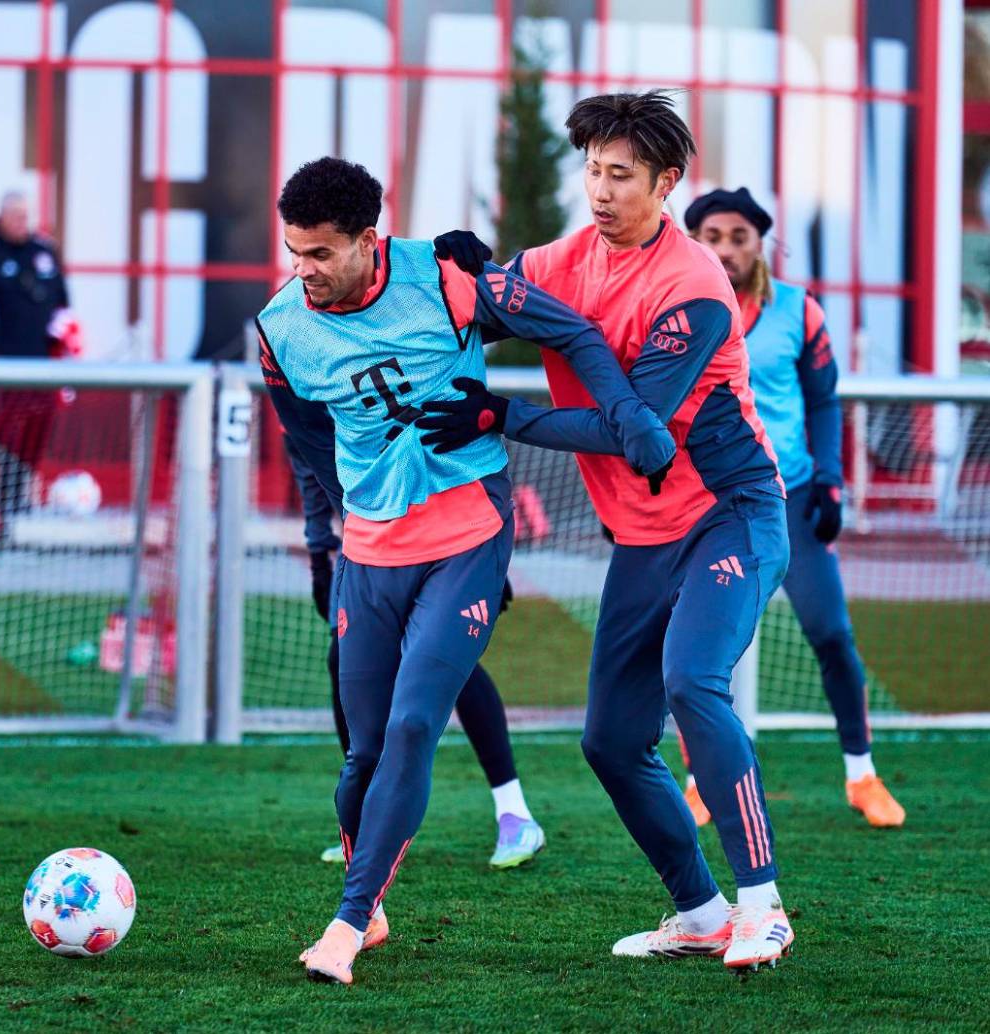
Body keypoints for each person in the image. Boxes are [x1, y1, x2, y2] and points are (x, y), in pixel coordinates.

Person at [257, 156, 671, 984]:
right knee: (362, 760)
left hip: (468, 535)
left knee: (416, 724)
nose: (303, 271)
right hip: (369, 551)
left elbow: (573, 331)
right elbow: (304, 441)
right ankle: (370, 908)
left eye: (320, 254)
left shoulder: (446, 283)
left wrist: (627, 415)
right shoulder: (279, 328)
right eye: (293, 252)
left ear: (370, 242)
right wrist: (320, 538)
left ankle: (344, 922)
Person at [428, 90, 794, 970]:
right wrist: (428, 266)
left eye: (620, 175)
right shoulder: (566, 257)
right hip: (642, 540)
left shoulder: (695, 285)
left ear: (666, 182)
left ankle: (764, 905)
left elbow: (639, 436)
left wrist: (501, 416)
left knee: (694, 683)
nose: (600, 189)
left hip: (731, 516)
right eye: (591, 170)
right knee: (608, 741)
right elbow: (478, 294)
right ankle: (700, 913)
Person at [683, 186, 905, 829]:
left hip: (792, 498)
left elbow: (823, 401)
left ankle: (861, 775)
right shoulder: (677, 306)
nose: (726, 249)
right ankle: (701, 782)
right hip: (710, 502)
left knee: (831, 633)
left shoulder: (800, 313)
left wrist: (832, 482)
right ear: (695, 241)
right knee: (702, 650)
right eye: (713, 237)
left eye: (739, 237)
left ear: (760, 244)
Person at [281, 432, 547, 868]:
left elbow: (445, 450)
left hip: (440, 542)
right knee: (341, 659)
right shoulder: (301, 393)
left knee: (449, 665)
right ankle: (368, 821)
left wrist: (484, 558)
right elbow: (309, 470)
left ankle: (515, 813)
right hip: (365, 550)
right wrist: (318, 553)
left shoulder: (384, 374)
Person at [0, 191, 74, 529]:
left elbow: (63, 302)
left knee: (36, 430)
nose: (23, 223)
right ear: (2, 217)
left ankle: (21, 497)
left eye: (26, 216)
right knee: (2, 434)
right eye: (16, 216)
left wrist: (62, 342)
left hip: (42, 368)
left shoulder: (44, 252)